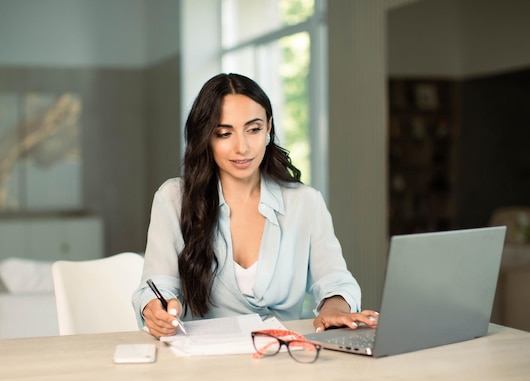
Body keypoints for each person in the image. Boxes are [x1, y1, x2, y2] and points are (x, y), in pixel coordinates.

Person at [132, 73, 378, 338]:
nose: (243, 147)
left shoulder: (305, 202)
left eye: (254, 129)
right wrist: (155, 308)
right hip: (205, 364)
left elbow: (335, 281)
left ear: (269, 127)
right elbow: (158, 285)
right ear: (205, 138)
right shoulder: (173, 199)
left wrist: (335, 308)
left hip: (282, 356)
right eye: (224, 133)